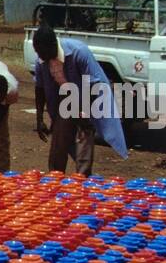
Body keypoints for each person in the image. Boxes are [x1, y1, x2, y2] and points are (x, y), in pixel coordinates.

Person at [31, 24, 129, 176]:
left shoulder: (79, 52)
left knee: (84, 133)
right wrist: (39, 118)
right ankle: (55, 177)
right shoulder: (41, 62)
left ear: (52, 46)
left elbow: (94, 85)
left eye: (41, 51)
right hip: (65, 99)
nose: (39, 55)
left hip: (88, 95)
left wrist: (84, 112)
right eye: (37, 51)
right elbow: (40, 88)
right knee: (59, 137)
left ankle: (82, 179)